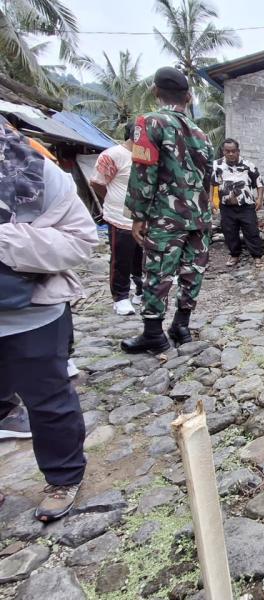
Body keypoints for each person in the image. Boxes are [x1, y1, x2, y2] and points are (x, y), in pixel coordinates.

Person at [0, 116, 99, 521]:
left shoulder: (35, 172)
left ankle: (64, 476)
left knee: (49, 401)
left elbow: (81, 239)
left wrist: (6, 240)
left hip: (30, 316)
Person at [121, 67, 214, 354]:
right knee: (192, 271)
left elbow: (143, 171)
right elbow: (209, 180)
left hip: (166, 215)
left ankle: (153, 334)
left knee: (157, 271)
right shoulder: (203, 135)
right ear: (187, 97)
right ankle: (181, 326)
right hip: (199, 217)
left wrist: (138, 215)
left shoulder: (149, 123)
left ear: (156, 92)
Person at [89, 122, 142, 316]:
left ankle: (140, 290)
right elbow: (97, 183)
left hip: (143, 218)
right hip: (119, 217)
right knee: (121, 259)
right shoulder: (113, 155)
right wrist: (113, 201)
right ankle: (120, 297)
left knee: (141, 258)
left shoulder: (147, 155)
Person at [212, 138, 264, 268]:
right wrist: (211, 201)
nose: (230, 154)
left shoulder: (248, 165)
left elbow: (259, 183)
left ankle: (257, 256)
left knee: (252, 230)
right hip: (226, 206)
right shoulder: (216, 165)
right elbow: (212, 184)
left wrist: (259, 198)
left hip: (246, 205)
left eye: (233, 151)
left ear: (238, 151)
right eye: (227, 151)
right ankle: (234, 255)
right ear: (223, 151)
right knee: (229, 231)